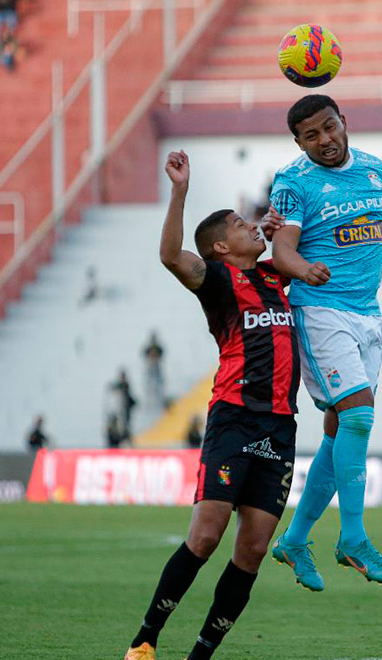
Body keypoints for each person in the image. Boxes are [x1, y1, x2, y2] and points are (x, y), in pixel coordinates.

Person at [122, 151, 307, 660]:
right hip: (234, 417)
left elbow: (296, 247)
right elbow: (170, 256)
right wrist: (180, 192)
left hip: (281, 428)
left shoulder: (274, 276)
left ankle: (201, 655)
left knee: (251, 550)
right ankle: (145, 638)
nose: (251, 225)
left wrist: (279, 225)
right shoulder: (219, 283)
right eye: (240, 224)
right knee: (206, 536)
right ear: (222, 246)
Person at [264, 94, 382, 590]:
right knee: (358, 415)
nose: (325, 141)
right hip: (319, 310)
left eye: (329, 128)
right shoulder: (294, 182)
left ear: (343, 123)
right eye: (311, 135)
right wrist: (303, 270)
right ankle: (353, 539)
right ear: (298, 142)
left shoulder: (375, 170)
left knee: (340, 432)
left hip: (368, 314)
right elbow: (283, 248)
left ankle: (294, 540)